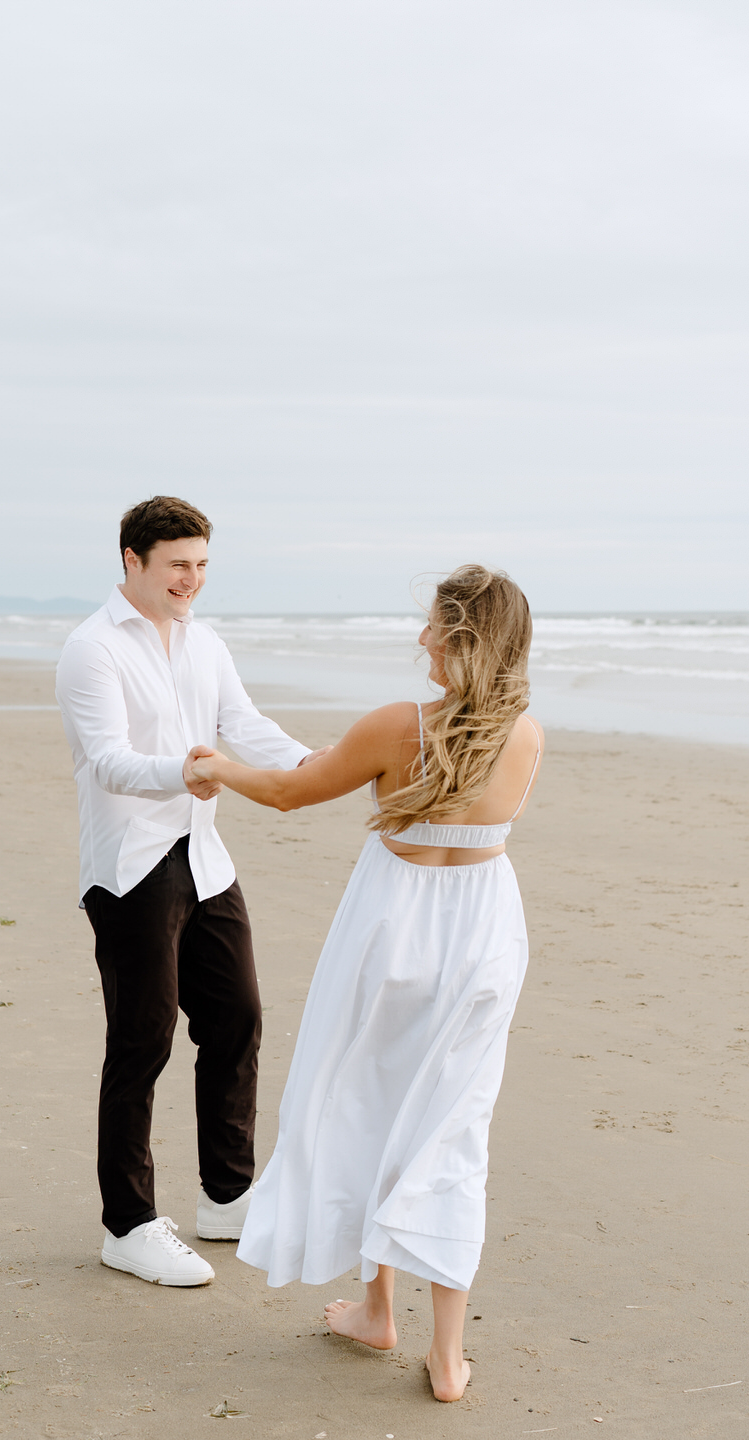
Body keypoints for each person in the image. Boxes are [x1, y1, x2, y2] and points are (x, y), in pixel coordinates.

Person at [185, 564, 543, 1400]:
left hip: (395, 932)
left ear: (464, 637)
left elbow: (287, 793)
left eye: (435, 628)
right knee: (454, 1129)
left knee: (364, 1101)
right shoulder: (525, 732)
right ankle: (447, 1356)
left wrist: (217, 766)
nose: (422, 639)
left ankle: (379, 1311)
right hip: (485, 934)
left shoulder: (397, 725)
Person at [55, 497, 327, 1288]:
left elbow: (242, 724)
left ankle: (228, 1196)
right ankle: (128, 1225)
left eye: (202, 565)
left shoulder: (205, 642)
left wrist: (321, 763)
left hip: (205, 858)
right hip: (131, 867)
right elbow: (106, 760)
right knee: (142, 1043)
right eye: (178, 564)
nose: (192, 581)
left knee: (237, 1017)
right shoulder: (91, 650)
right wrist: (187, 770)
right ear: (132, 561)